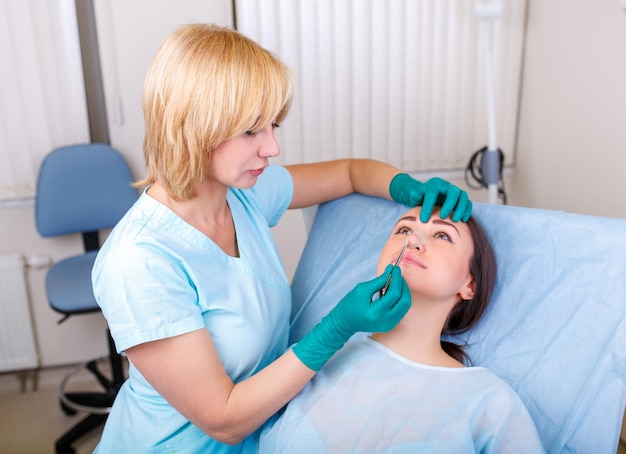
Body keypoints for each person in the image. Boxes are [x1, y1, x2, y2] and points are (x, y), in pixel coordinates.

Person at [91, 23, 473, 453]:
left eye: (273, 125)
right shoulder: (138, 261)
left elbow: (349, 173)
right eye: (252, 130)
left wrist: (408, 188)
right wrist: (338, 327)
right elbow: (223, 419)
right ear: (193, 127)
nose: (271, 148)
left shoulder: (242, 196)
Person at [259, 206, 545, 453]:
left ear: (469, 284)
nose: (413, 240)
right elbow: (231, 421)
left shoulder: (490, 401)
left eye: (442, 235)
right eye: (402, 230)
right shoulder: (317, 357)